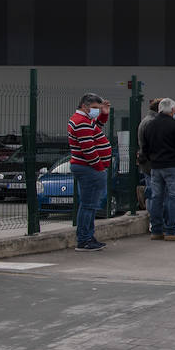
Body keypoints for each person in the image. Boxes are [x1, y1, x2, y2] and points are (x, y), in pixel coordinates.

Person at [67, 92, 112, 251]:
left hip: (87, 167)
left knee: (88, 205)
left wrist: (103, 116)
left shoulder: (84, 120)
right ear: (85, 106)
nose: (96, 111)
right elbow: (88, 148)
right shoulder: (82, 122)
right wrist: (99, 167)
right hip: (89, 168)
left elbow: (95, 130)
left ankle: (86, 237)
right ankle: (85, 239)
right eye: (94, 108)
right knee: (89, 205)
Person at [141, 98, 175, 241]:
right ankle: (172, 231)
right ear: (173, 110)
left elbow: (145, 147)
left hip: (155, 166)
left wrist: (153, 159)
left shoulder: (149, 125)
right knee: (174, 197)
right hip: (172, 165)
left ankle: (156, 230)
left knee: (156, 197)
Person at [136, 97, 161, 222]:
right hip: (151, 163)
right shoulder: (152, 122)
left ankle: (153, 220)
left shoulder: (147, 120)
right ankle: (154, 221)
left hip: (147, 163)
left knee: (152, 192)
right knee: (154, 193)